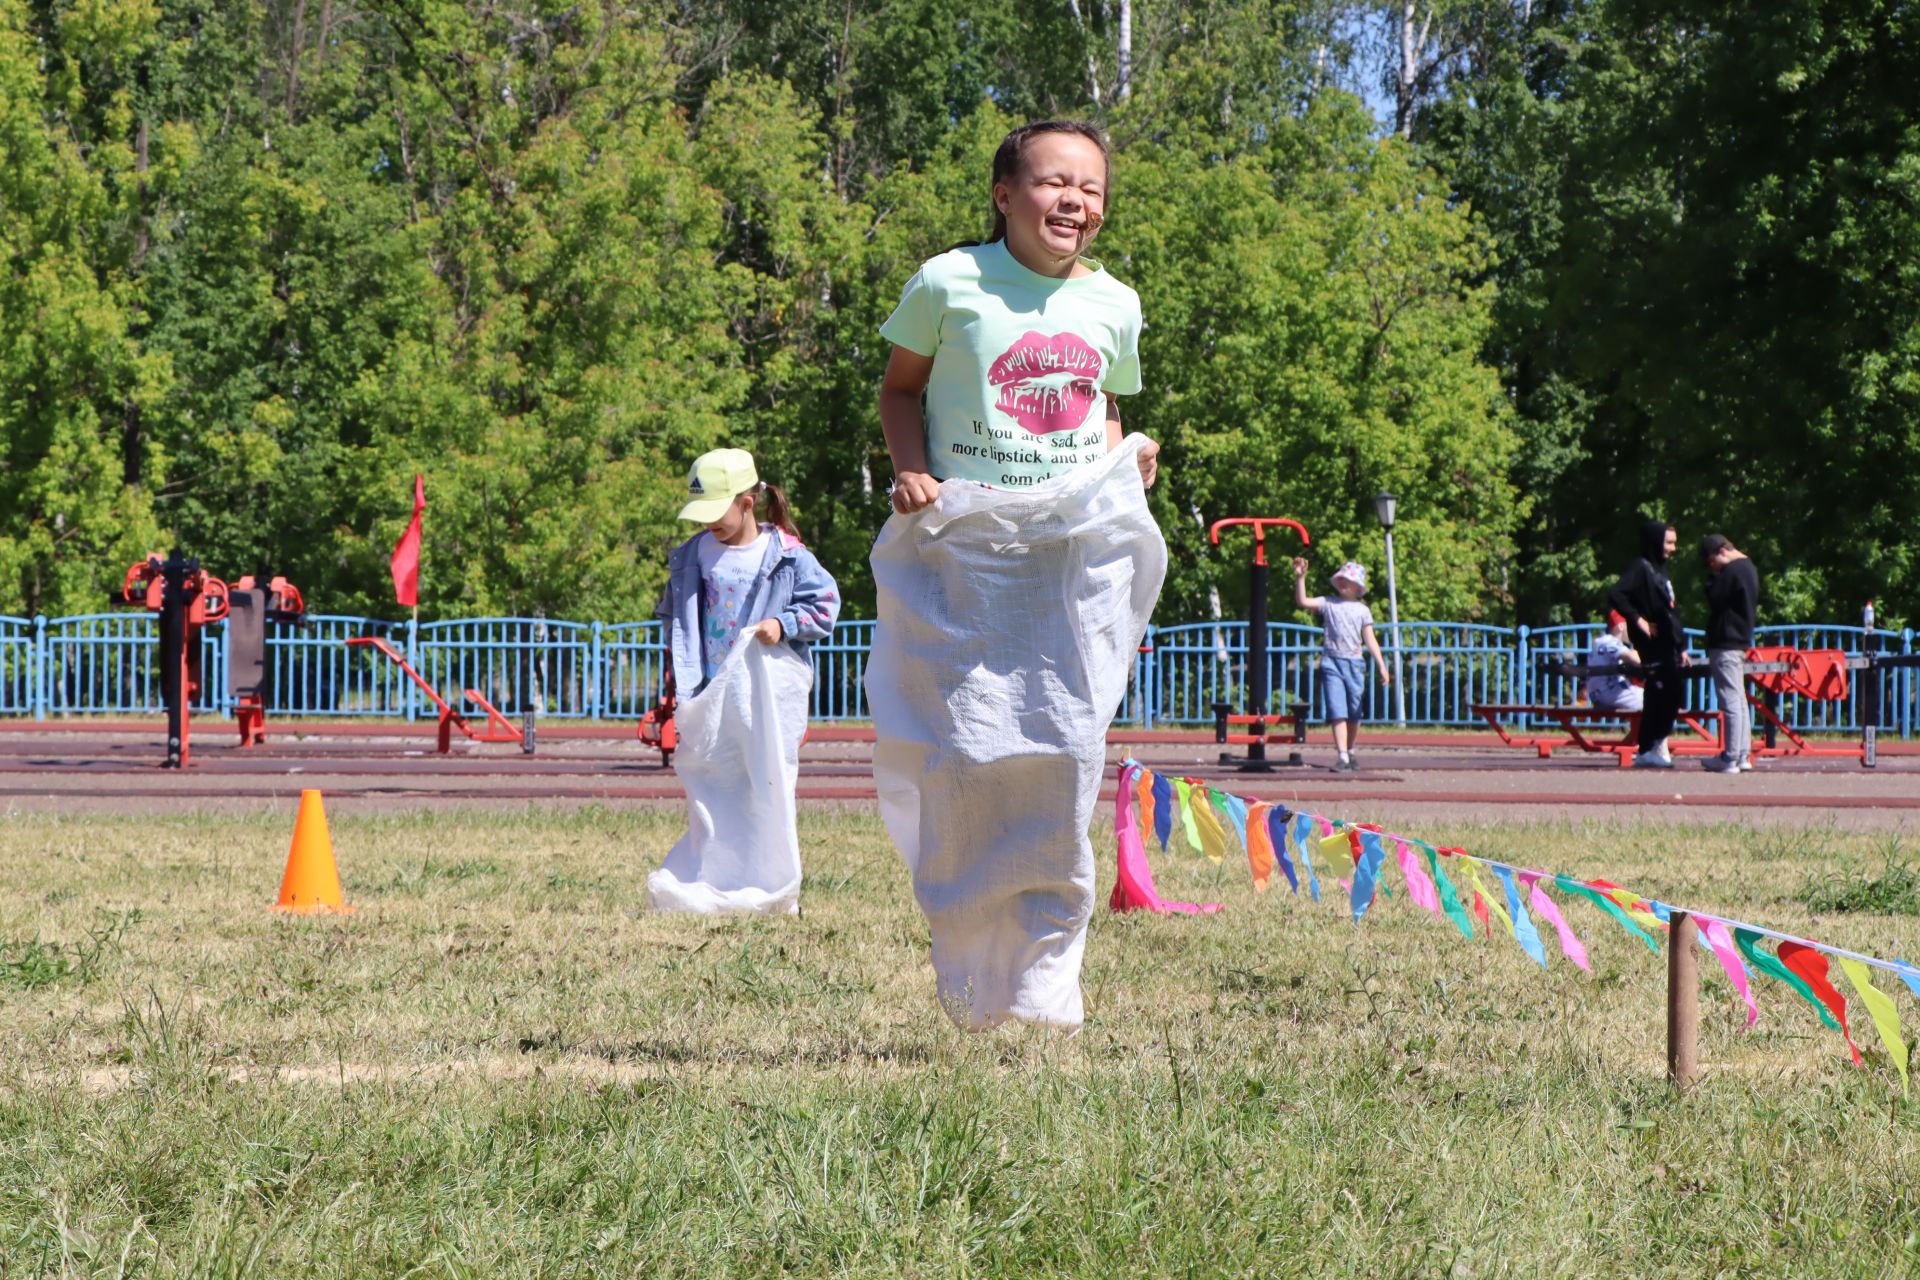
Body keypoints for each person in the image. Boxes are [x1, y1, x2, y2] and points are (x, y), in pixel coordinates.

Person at [867, 119, 1167, 1030]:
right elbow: (899, 388)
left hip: (1067, 552)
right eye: (1054, 182)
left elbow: (1105, 404)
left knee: (1070, 749)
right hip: (969, 544)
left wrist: (1123, 463)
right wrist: (912, 468)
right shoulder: (948, 282)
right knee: (969, 749)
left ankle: (1045, 983)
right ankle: (968, 961)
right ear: (1005, 195)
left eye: (1093, 189)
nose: (1076, 200)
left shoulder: (1116, 302)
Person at [648, 447, 840, 915]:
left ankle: (768, 881)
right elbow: (676, 628)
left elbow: (825, 607)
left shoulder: (787, 556)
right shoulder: (692, 556)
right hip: (708, 695)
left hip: (761, 697)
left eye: (716, 512)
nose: (708, 523)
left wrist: (785, 624)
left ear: (748, 503)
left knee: (765, 785)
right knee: (711, 784)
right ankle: (716, 876)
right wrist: (671, 688)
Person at [1290, 558, 1391, 771]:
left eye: (1350, 580)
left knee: (1354, 713)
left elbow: (1370, 639)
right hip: (1331, 662)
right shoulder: (1328, 603)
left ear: (1358, 587)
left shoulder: (1362, 610)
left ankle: (1350, 749)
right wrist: (1301, 577)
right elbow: (1303, 602)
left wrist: (1381, 664)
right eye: (1342, 578)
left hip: (1354, 664)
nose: (1344, 582)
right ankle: (1342, 755)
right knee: (1337, 710)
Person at [1606, 518, 1690, 768]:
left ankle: (1652, 745)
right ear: (1655, 541)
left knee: (1671, 693)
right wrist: (1637, 619)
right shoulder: (1640, 567)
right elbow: (1616, 594)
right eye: (1669, 542)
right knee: (1660, 692)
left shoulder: (1661, 571)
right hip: (1653, 643)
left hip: (1668, 643)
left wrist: (1681, 645)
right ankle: (1648, 747)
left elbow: (1671, 610)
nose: (1673, 548)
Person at [1700, 533, 1759, 774]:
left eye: (1711, 562)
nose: (1712, 568)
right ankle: (1742, 754)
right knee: (1740, 699)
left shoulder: (1733, 571)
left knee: (1730, 699)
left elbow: (1714, 596)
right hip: (1740, 641)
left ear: (1722, 551)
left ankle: (1730, 756)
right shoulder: (1749, 568)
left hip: (1726, 642)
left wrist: (1712, 581)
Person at [1585, 611, 1643, 713]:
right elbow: (1636, 659)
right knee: (1657, 699)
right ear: (1621, 626)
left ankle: (1638, 729)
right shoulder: (1609, 641)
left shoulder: (1602, 641)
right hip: (1609, 692)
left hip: (1601, 693)